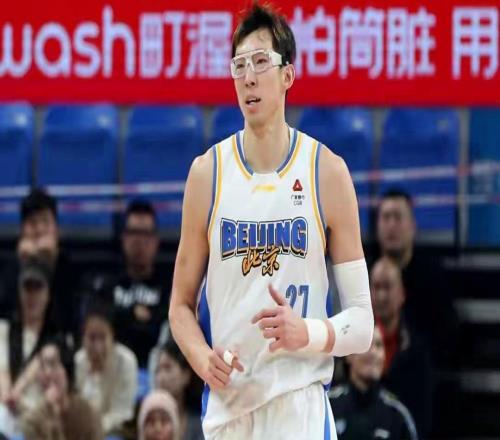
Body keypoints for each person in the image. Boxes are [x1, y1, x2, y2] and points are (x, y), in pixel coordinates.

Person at [168, 3, 374, 439]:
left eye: (261, 62)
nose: (249, 77)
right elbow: (180, 307)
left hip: (298, 407)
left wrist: (307, 333)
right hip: (229, 409)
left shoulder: (326, 172)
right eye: (239, 65)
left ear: (287, 76)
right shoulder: (207, 174)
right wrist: (202, 358)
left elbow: (362, 324)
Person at [376, 189, 458, 366]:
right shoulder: (365, 272)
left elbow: (446, 337)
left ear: (413, 226)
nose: (391, 225)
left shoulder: (433, 277)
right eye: (386, 217)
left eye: (398, 217)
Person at [0, 189, 78, 341]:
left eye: (45, 221)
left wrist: (50, 263)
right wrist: (24, 265)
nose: (39, 230)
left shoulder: (69, 267)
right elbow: (8, 315)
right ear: (22, 230)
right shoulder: (9, 268)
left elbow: (69, 318)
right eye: (32, 222)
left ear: (56, 229)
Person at [100, 199, 170, 367]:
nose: (139, 240)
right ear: (123, 238)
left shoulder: (169, 287)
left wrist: (123, 317)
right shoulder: (108, 285)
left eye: (146, 233)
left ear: (156, 240)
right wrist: (134, 314)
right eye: (134, 232)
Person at [371, 256, 433, 438]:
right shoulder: (355, 344)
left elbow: (423, 415)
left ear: (402, 294)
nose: (381, 296)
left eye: (387, 287)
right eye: (376, 287)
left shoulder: (417, 350)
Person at [0, 259, 61, 437]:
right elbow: (1, 367)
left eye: (38, 289)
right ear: (19, 292)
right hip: (4, 411)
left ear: (48, 294)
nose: (32, 296)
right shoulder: (4, 329)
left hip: (36, 418)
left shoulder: (58, 340)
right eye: (27, 288)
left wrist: (17, 392)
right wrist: (8, 394)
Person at [329, 324, 418, 440]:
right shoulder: (329, 406)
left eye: (379, 345)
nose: (373, 353)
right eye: (366, 345)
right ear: (348, 355)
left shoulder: (397, 415)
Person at [75, 300, 138, 435]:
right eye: (92, 338)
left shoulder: (126, 362)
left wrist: (94, 430)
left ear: (112, 337)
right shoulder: (78, 361)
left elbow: (122, 413)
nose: (97, 346)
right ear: (83, 338)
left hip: (113, 433)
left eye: (102, 337)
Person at [21, 338, 103, 440]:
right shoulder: (31, 422)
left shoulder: (89, 414)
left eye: (53, 364)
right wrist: (52, 418)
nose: (47, 373)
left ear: (67, 369)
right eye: (42, 366)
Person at [154, 339, 203, 440]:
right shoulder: (149, 420)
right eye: (158, 370)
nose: (161, 378)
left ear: (186, 375)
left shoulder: (200, 425)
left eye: (167, 368)